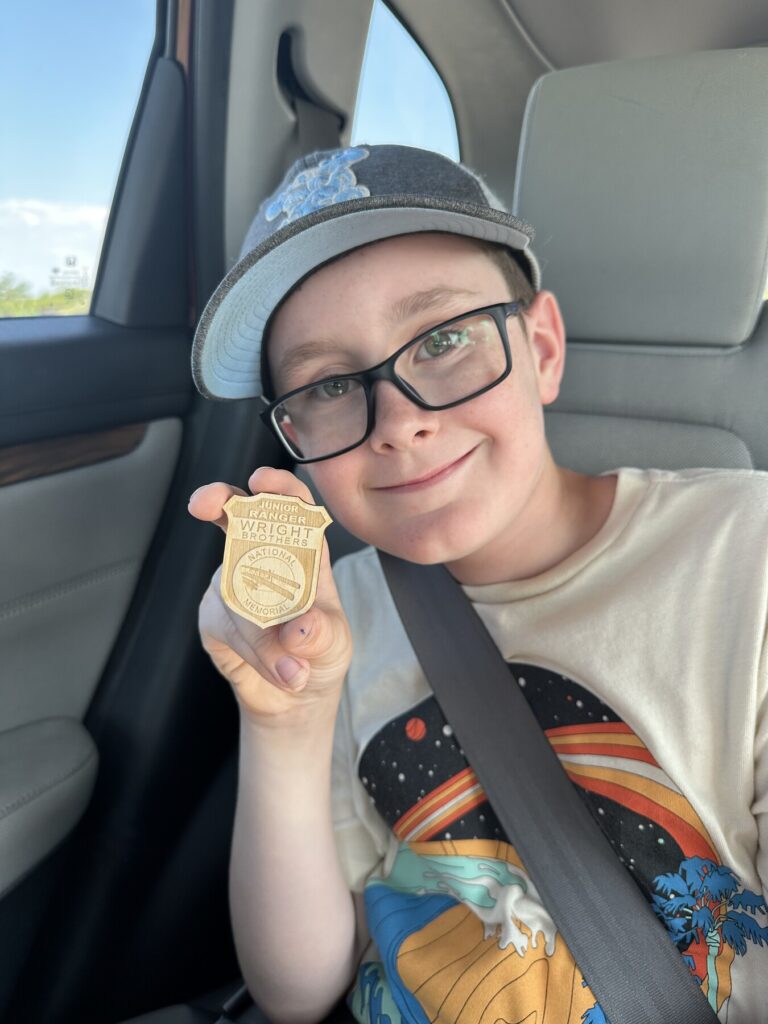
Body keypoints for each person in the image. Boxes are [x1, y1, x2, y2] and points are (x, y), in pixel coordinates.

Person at [187, 144, 768, 1024]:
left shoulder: (746, 553)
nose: (401, 425)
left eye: (444, 339)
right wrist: (288, 721)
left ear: (540, 348)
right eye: (333, 384)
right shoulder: (334, 620)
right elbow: (297, 990)